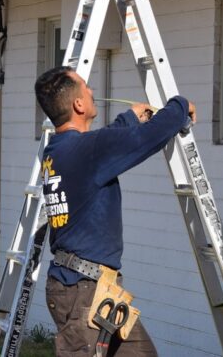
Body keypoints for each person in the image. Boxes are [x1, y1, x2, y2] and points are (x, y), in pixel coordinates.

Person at [35, 65, 196, 357]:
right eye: (86, 87)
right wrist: (180, 106)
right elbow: (148, 137)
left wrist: (130, 118)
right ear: (78, 104)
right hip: (82, 291)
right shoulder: (88, 151)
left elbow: (101, 144)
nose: (93, 91)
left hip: (91, 288)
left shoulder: (56, 150)